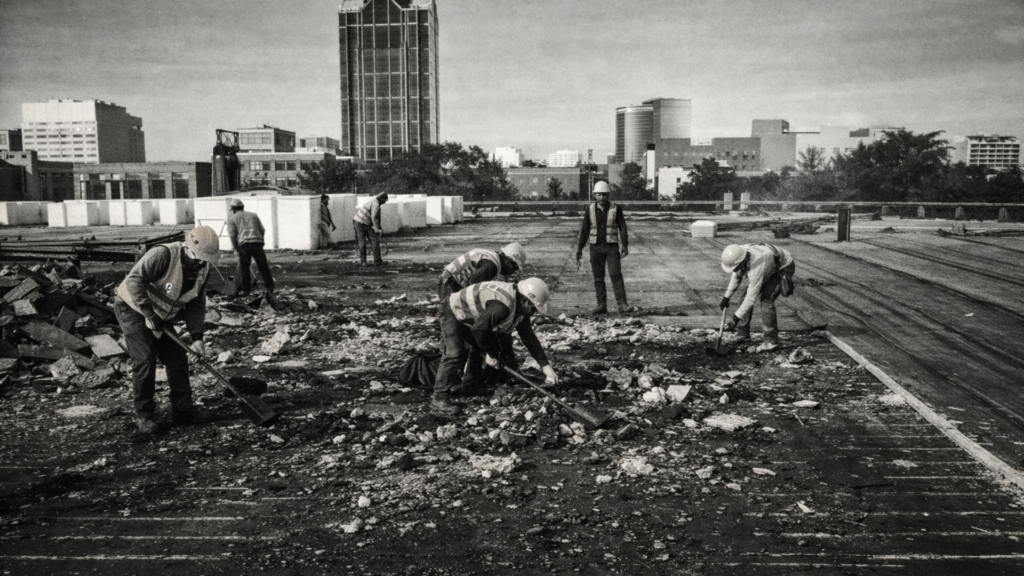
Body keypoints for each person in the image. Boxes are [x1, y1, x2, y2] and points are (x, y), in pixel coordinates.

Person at [113, 226, 220, 434]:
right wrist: (148, 314)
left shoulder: (203, 268)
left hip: (159, 314)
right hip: (132, 307)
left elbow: (197, 304)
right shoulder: (163, 254)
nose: (200, 263)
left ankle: (183, 410)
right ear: (188, 247)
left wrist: (197, 338)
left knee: (177, 357)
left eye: (204, 260)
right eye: (197, 258)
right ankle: (144, 415)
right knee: (144, 358)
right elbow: (134, 280)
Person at [431, 277, 558, 415]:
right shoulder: (502, 307)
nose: (535, 313)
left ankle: (470, 386)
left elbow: (529, 339)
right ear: (525, 301)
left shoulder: (520, 307)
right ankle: (439, 398)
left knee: (479, 347)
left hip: (474, 317)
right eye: (534, 309)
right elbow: (478, 331)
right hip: (452, 309)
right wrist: (490, 355)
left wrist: (546, 367)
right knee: (454, 353)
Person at [719, 243, 796, 352]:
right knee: (743, 298)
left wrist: (735, 319)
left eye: (736, 267)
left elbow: (751, 299)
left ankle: (771, 341)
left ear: (743, 261)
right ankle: (743, 335)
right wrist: (726, 297)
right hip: (769, 264)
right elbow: (737, 275)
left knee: (766, 300)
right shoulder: (740, 253)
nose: (735, 270)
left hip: (784, 267)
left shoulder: (756, 268)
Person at [575, 181, 634, 314]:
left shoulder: (616, 209)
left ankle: (622, 304)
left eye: (605, 195)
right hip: (595, 248)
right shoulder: (590, 210)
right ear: (595, 195)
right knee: (598, 277)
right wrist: (579, 248)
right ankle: (601, 305)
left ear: (608, 195)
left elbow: (622, 227)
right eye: (599, 195)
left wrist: (624, 244)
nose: (602, 198)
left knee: (615, 274)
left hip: (611, 247)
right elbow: (584, 230)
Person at [226, 198, 275, 306]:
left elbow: (232, 235)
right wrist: (262, 242)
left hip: (244, 245)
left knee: (244, 269)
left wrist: (235, 248)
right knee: (263, 266)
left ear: (233, 209)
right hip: (257, 243)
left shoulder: (232, 219)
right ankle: (270, 287)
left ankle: (246, 291)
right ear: (242, 207)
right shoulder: (254, 215)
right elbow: (262, 230)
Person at [353, 192, 388, 266]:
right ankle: (363, 262)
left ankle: (377, 261)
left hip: (366, 223)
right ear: (382, 199)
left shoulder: (375, 201)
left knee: (375, 241)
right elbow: (374, 217)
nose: (385, 202)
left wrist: (379, 228)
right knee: (362, 242)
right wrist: (377, 230)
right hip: (359, 223)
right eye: (385, 200)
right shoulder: (375, 204)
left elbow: (377, 218)